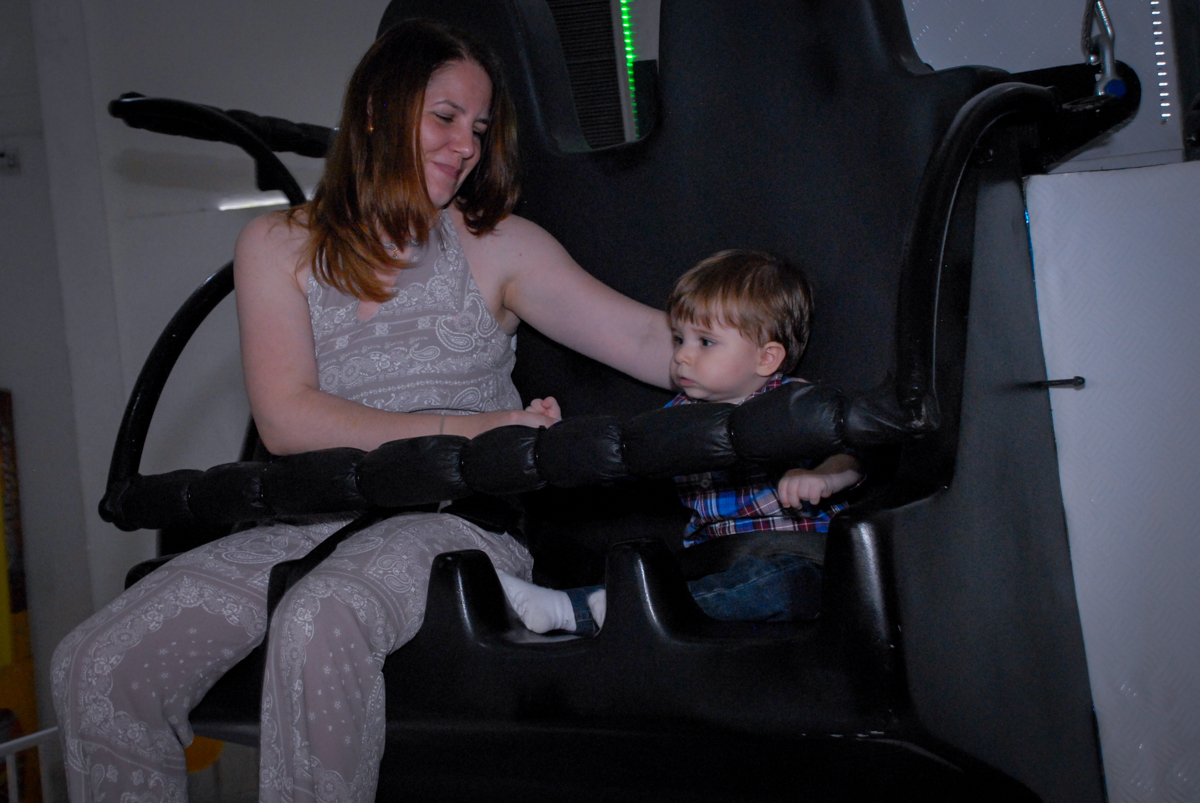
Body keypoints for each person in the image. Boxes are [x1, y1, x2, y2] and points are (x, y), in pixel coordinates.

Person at [51, 19, 673, 803]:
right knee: (97, 664)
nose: (467, 145)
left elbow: (649, 338)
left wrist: (759, 354)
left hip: (453, 521)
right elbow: (289, 419)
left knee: (320, 615)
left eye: (478, 128)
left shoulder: (498, 246)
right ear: (379, 111)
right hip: (311, 519)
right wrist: (468, 428)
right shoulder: (277, 246)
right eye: (445, 118)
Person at [499, 250, 862, 634]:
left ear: (766, 358)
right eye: (679, 338)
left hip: (797, 555)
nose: (682, 356)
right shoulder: (677, 414)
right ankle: (563, 607)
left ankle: (633, 608)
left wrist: (823, 478)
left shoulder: (791, 402)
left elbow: (854, 454)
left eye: (705, 342)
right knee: (654, 574)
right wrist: (560, 435)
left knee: (779, 585)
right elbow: (621, 451)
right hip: (712, 558)